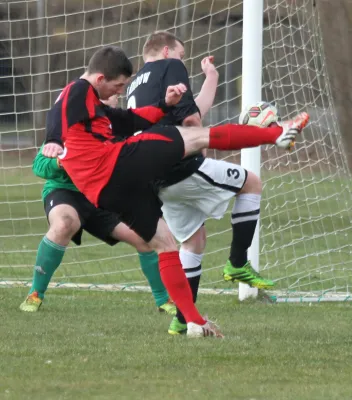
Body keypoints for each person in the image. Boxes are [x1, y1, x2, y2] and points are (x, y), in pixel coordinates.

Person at [43, 45, 309, 338]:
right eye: (117, 86)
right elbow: (57, 114)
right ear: (100, 79)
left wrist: (165, 105)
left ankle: (194, 322)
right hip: (114, 165)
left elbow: (132, 121)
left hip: (106, 191)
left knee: (166, 243)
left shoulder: (95, 106)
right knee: (195, 137)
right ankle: (277, 134)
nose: (117, 91)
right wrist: (53, 139)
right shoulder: (78, 90)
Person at [126, 31, 275, 335]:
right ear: (167, 51)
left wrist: (211, 77)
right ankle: (236, 262)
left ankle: (182, 318)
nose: (182, 61)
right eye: (181, 55)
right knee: (251, 183)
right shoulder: (171, 66)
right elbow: (192, 122)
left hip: (154, 176)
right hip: (178, 163)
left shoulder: (135, 84)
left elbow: (191, 112)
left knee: (193, 240)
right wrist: (202, 146)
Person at [19, 95, 175, 315]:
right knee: (64, 223)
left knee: (144, 236)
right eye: (103, 100)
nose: (109, 104)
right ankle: (35, 293)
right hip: (66, 193)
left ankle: (163, 300)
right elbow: (39, 165)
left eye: (112, 101)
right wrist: (61, 162)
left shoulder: (118, 132)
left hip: (103, 196)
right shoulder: (71, 128)